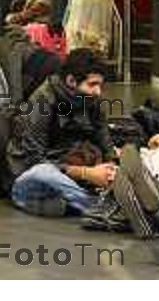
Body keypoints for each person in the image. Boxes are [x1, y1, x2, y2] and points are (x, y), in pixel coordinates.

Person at [9, 48, 118, 217]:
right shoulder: (41, 103)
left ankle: (100, 199)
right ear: (71, 81)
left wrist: (112, 166)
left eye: (100, 85)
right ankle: (101, 206)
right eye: (92, 84)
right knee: (44, 173)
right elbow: (35, 161)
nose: (98, 91)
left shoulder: (89, 100)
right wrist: (86, 173)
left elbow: (102, 134)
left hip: (67, 164)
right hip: (33, 173)